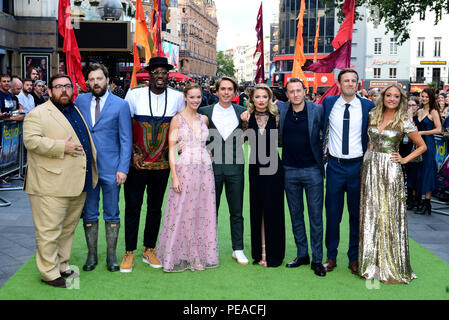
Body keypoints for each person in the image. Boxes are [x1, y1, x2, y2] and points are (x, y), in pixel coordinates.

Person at [22, 74, 98, 288]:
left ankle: (62, 265)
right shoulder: (38, 114)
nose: (63, 90)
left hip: (77, 181)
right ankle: (49, 273)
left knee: (67, 228)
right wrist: (59, 147)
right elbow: (30, 141)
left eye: (67, 86)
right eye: (58, 87)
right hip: (49, 184)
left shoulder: (74, 110)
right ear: (49, 91)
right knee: (49, 230)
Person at [120, 57, 185, 272]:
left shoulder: (177, 97)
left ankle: (150, 248)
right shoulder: (134, 94)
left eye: (164, 72)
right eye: (156, 72)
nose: (160, 76)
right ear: (149, 74)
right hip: (136, 163)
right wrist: (131, 154)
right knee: (132, 206)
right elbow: (126, 125)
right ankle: (129, 251)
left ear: (168, 75)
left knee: (155, 208)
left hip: (163, 165)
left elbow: (181, 125)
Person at [359, 84, 426, 284]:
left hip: (390, 170)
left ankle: (391, 263)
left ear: (401, 99)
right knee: (371, 213)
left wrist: (405, 160)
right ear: (383, 97)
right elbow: (368, 141)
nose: (392, 99)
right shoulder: (373, 114)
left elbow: (421, 146)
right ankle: (371, 262)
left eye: (396, 96)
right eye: (388, 95)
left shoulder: (404, 119)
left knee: (388, 213)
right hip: (369, 167)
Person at [75, 63, 132, 272]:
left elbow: (126, 139)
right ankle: (91, 256)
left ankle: (111, 257)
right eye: (91, 79)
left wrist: (123, 168)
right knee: (89, 213)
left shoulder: (120, 105)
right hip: (86, 169)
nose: (95, 83)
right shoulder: (80, 101)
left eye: (99, 78)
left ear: (107, 80)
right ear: (88, 82)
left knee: (112, 213)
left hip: (111, 169)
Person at [156, 83, 218, 272]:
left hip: (205, 170)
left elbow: (205, 142)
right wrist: (174, 177)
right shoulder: (177, 120)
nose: (195, 100)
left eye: (198, 97)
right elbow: (172, 149)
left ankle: (197, 254)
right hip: (184, 170)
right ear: (185, 97)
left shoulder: (204, 119)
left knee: (201, 210)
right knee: (183, 211)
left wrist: (207, 151)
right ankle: (179, 254)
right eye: (192, 97)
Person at [322, 69, 375, 275]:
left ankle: (354, 258)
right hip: (335, 166)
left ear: (358, 83)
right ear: (339, 83)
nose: (350, 83)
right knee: (333, 215)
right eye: (346, 80)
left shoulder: (367, 106)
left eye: (354, 80)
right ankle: (331, 256)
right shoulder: (329, 104)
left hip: (357, 167)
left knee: (356, 215)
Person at [275, 78, 325, 276]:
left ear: (305, 91)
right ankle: (302, 254)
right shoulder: (282, 110)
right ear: (286, 94)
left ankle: (317, 259)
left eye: (298, 90)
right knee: (296, 215)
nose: (295, 94)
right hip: (289, 170)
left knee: (315, 217)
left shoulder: (317, 110)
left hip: (312, 169)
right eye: (291, 91)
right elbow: (259, 109)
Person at [198, 76, 249, 265]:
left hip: (236, 167)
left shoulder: (243, 111)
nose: (226, 92)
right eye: (223, 89)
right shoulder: (204, 112)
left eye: (230, 89)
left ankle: (238, 249)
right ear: (216, 90)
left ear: (235, 92)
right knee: (211, 210)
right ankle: (207, 248)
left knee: (237, 211)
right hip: (211, 168)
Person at [240, 83, 285, 268]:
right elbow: (239, 139)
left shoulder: (277, 117)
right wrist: (242, 122)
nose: (261, 100)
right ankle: (260, 253)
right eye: (257, 97)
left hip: (274, 167)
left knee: (273, 211)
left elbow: (283, 141)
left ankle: (273, 255)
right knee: (257, 209)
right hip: (254, 167)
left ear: (270, 98)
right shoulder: (246, 117)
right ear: (252, 99)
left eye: (264, 97)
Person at [408, 88, 442, 215]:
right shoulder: (419, 111)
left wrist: (422, 132)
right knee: (417, 171)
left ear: (431, 97)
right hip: (418, 144)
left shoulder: (433, 111)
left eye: (426, 96)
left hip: (428, 144)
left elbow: (439, 129)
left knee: (427, 172)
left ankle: (427, 203)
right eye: (422, 96)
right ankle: (418, 201)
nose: (424, 98)